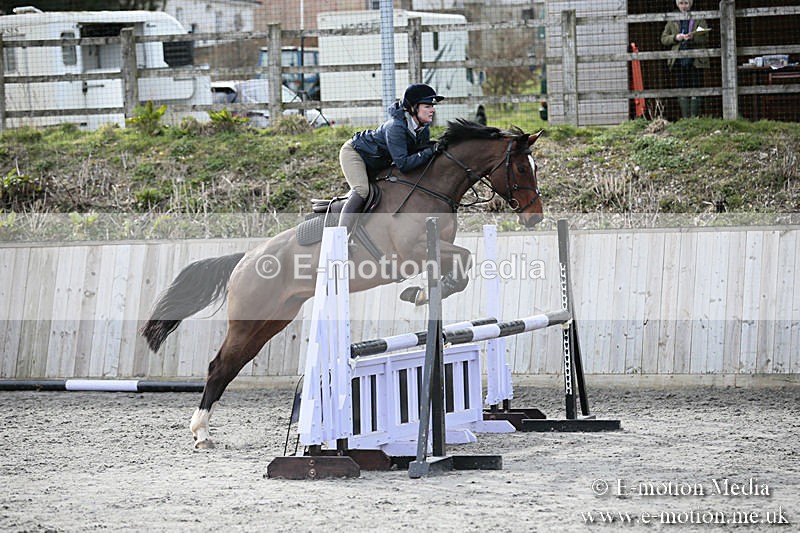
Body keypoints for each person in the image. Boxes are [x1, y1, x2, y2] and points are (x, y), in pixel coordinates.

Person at [337, 83, 445, 233]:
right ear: (413, 107)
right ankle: (339, 237)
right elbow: (404, 164)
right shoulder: (396, 127)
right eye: (427, 106)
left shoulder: (423, 129)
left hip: (378, 161)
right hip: (356, 154)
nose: (432, 109)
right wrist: (431, 151)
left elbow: (420, 156)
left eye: (432, 106)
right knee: (362, 190)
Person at [661, 0, 709, 118]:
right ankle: (685, 118)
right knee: (681, 87)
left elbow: (705, 37)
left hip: (695, 59)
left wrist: (693, 37)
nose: (684, 6)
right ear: (677, 4)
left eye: (686, 3)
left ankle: (694, 118)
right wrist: (676, 37)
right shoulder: (672, 18)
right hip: (678, 60)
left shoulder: (699, 17)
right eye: (681, 3)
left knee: (696, 86)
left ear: (691, 4)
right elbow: (664, 38)